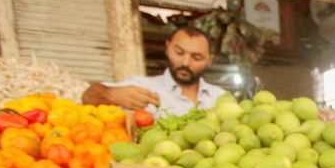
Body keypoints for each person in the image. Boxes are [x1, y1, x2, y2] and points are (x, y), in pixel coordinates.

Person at [82, 26, 227, 117]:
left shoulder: (220, 97)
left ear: (210, 60)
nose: (185, 62)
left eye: (196, 57)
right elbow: (88, 96)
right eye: (179, 52)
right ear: (167, 48)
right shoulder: (142, 86)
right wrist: (111, 94)